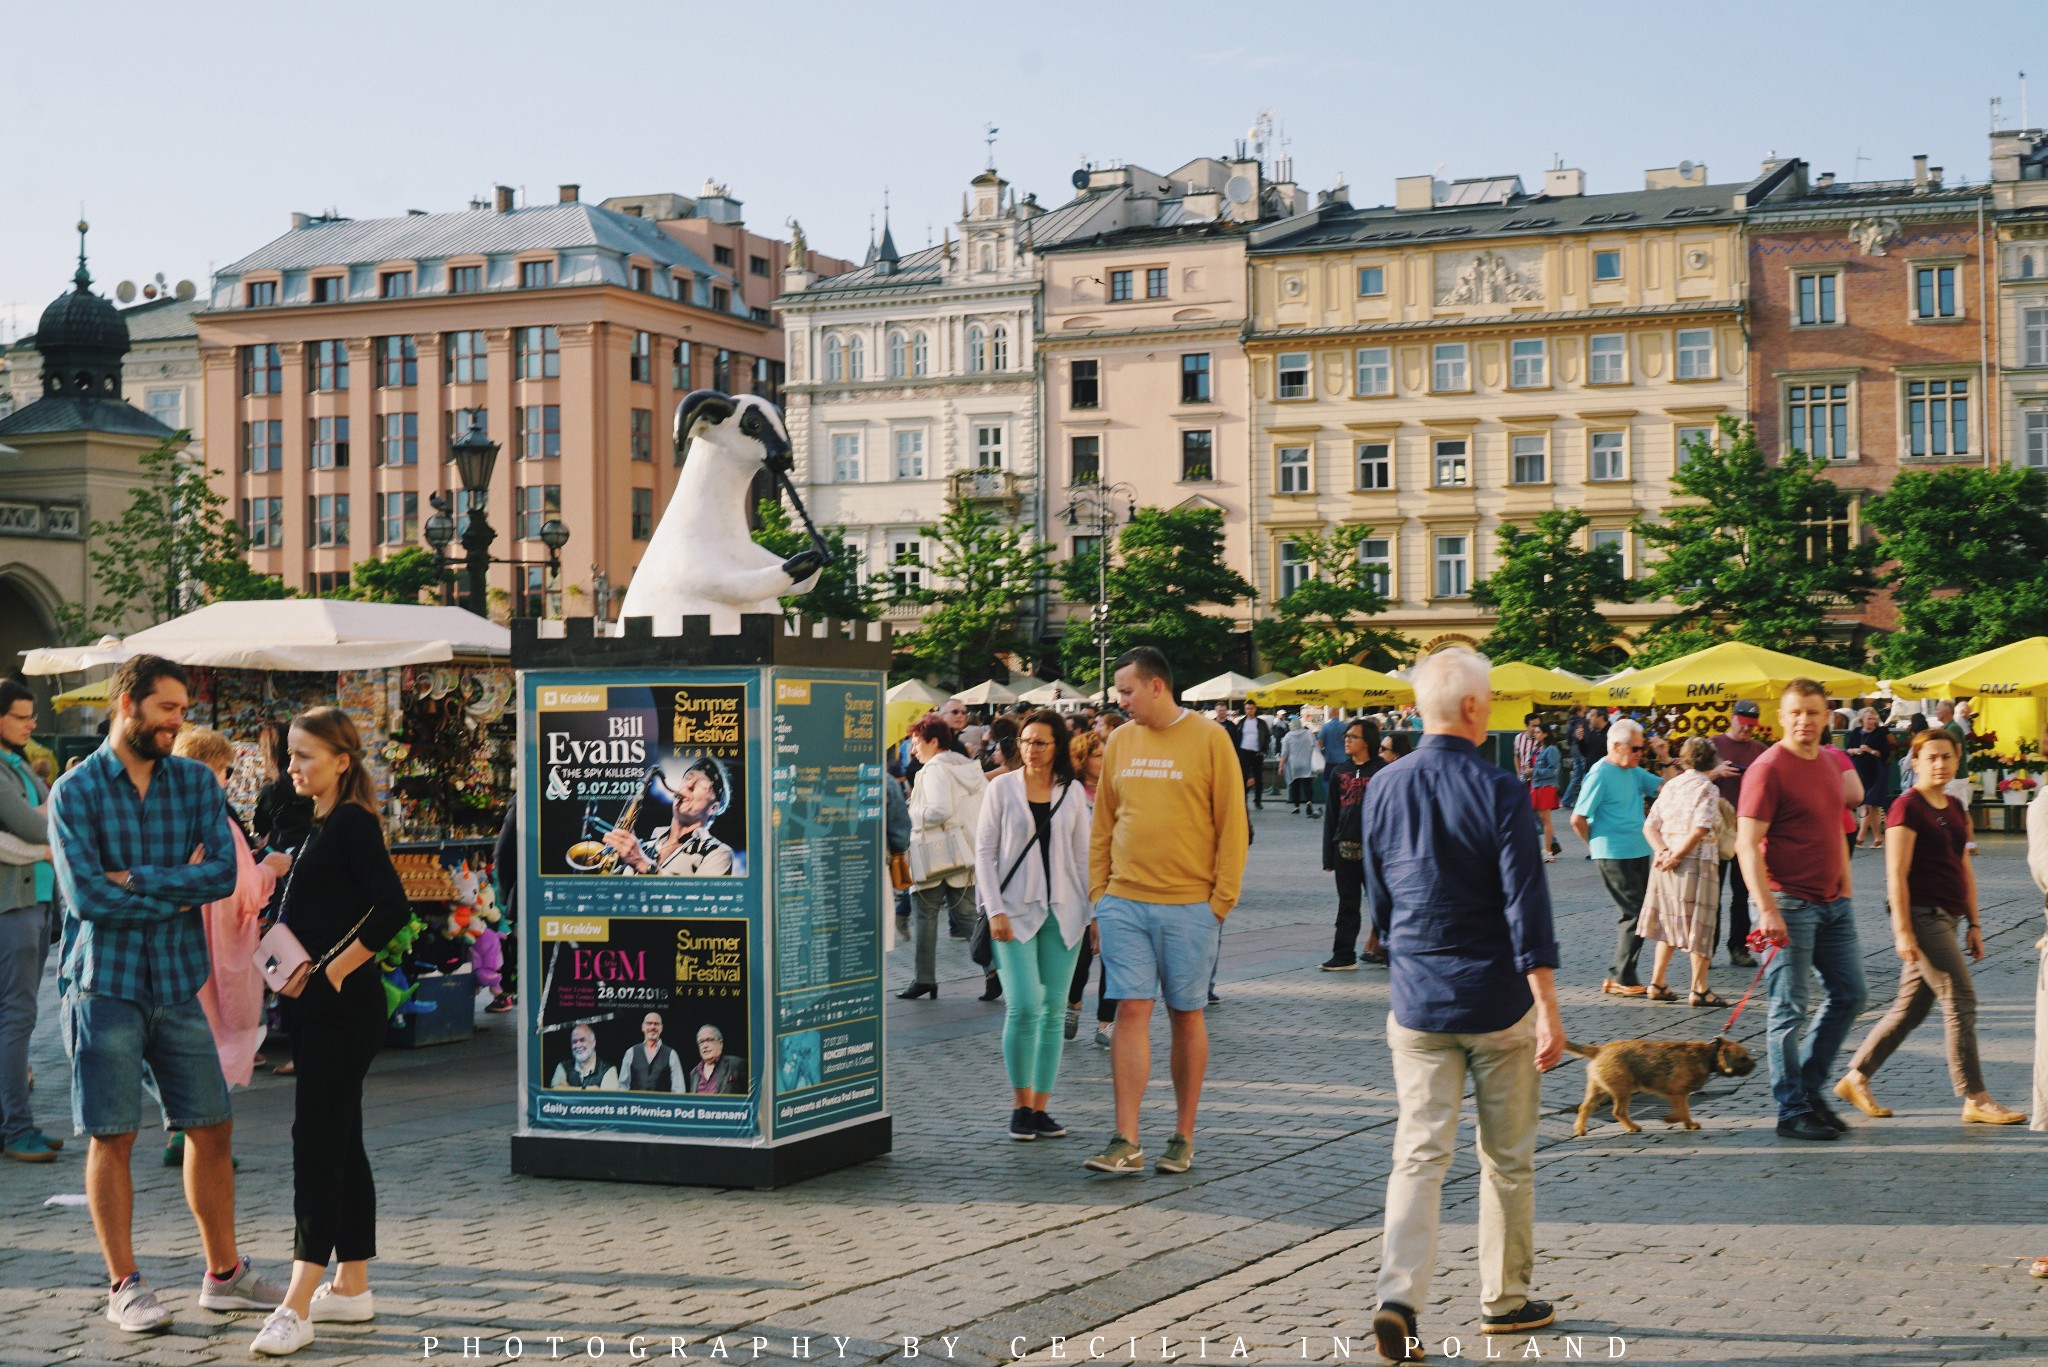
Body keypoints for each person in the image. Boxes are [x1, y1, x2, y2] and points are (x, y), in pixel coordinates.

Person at [48, 656, 284, 1334]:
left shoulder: (191, 782)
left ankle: (224, 1274)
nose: (179, 720)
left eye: (184, 708)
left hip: (180, 983)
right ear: (129, 703)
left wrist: (134, 879)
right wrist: (164, 883)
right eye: (168, 708)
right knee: (112, 1134)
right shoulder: (77, 790)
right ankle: (124, 1283)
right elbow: (85, 895)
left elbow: (219, 874)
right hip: (105, 986)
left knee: (211, 1127)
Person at [1362, 648, 1563, 1360]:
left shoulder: (1383, 784)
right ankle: (1504, 1300)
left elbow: (1379, 899)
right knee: (1506, 1158)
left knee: (1418, 1154)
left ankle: (1399, 1296)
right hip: (1497, 1000)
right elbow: (1524, 903)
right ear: (1476, 708)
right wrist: (1548, 1005)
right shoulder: (1500, 787)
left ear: (1421, 707)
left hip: (1418, 1000)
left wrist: (1406, 950)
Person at [247, 705, 419, 1356]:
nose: (292, 766)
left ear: (342, 760)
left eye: (305, 756)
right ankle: (351, 1283)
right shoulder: (320, 820)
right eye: (290, 754)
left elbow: (392, 907)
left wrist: (335, 970)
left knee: (315, 1142)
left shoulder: (349, 821)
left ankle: (296, 1304)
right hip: (319, 1006)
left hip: (342, 1010)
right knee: (341, 1138)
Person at [1083, 647, 1247, 1177]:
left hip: (1190, 905)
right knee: (1130, 1011)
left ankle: (1183, 1134)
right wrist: (1098, 894)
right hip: (1125, 902)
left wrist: (1220, 901)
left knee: (1185, 1014)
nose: (1120, 702)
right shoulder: (1122, 742)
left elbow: (1231, 824)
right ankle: (1125, 1138)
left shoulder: (1209, 738)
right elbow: (1104, 822)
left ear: (1157, 687)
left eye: (1127, 691)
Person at [1835, 730, 2025, 1126]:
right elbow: (1896, 873)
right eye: (1931, 757)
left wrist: (1974, 922)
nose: (1939, 764)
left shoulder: (1956, 806)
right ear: (1915, 762)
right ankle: (1975, 1096)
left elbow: (1964, 867)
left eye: (1947, 757)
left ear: (1957, 761)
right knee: (1960, 998)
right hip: (1922, 917)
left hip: (1950, 917)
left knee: (1910, 1010)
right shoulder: (1907, 807)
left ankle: (1856, 1077)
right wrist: (1903, 930)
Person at [1737, 679, 1870, 1143]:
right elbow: (1746, 844)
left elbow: (1835, 828)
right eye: (1795, 712)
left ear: (1827, 716)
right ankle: (1791, 1109)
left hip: (1834, 903)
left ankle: (1809, 1090)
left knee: (1851, 994)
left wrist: (1846, 888)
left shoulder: (1829, 764)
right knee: (1788, 1010)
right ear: (1781, 716)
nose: (1804, 721)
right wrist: (1767, 909)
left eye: (1813, 713)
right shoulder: (1769, 768)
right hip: (1787, 903)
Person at [978, 709, 1092, 1141]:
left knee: (1052, 1014)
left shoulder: (1073, 791)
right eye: (1025, 741)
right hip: (1013, 912)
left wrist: (1092, 913)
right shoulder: (1001, 788)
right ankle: (1019, 1105)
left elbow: (1083, 857)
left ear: (1057, 746)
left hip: (1065, 912)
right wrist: (994, 910)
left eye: (1040, 742)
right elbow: (984, 853)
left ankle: (1041, 1108)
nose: (1031, 749)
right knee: (1023, 1006)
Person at [172, 727, 282, 1093]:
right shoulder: (215, 818)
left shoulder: (171, 812)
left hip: (184, 939)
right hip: (218, 935)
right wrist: (270, 869)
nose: (226, 778)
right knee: (219, 1031)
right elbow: (243, 889)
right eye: (224, 770)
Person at [0, 678, 58, 1162]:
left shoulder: (17, 763)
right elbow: (41, 824)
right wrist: (44, 822)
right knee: (16, 1018)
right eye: (21, 716)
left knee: (20, 1017)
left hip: (33, 903)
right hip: (11, 907)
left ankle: (15, 1123)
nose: (31, 723)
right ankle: (16, 1127)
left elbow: (46, 814)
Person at [1572, 717, 1663, 997]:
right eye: (1635, 749)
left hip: (1638, 849)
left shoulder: (1634, 771)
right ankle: (1620, 976)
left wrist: (1665, 756)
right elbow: (1578, 818)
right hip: (1612, 853)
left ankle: (1619, 974)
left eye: (1641, 749)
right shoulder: (1600, 773)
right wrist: (1597, 847)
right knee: (1634, 914)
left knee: (1641, 914)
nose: (1639, 754)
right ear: (1615, 745)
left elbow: (1667, 789)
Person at [1638, 738, 1726, 1007]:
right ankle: (1699, 989)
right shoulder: (1707, 788)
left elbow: (1649, 826)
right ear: (1711, 761)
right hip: (1697, 863)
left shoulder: (1672, 785)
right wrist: (1676, 856)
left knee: (1668, 924)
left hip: (1664, 865)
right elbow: (1700, 829)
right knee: (1700, 926)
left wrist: (1664, 853)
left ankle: (1657, 982)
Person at [901, 715, 984, 998]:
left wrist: (910, 812)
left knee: (924, 914)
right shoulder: (967, 767)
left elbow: (940, 810)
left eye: (916, 743)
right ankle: (996, 969)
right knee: (966, 915)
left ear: (933, 742)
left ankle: (925, 979)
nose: (913, 750)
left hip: (936, 853)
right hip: (963, 852)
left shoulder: (935, 769)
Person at [1321, 718, 1386, 971]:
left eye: (1353, 737)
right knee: (1347, 905)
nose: (1347, 740)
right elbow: (1332, 816)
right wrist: (1329, 856)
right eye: (1346, 736)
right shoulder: (1340, 772)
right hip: (1344, 849)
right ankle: (1343, 955)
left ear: (1367, 741)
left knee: (1383, 904)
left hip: (1376, 853)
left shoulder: (1383, 771)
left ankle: (1393, 952)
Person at [603, 756, 734, 876]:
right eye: (688, 777)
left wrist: (642, 864)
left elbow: (700, 898)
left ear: (713, 808)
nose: (688, 785)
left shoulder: (718, 853)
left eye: (701, 783)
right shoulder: (644, 847)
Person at [1064, 731, 1114, 1044]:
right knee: (1080, 956)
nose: (1104, 760)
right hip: (1077, 886)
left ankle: (1106, 1023)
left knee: (1113, 956)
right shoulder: (1070, 794)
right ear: (1083, 760)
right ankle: (1073, 1003)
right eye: (1097, 755)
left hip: (1114, 883)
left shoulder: (1116, 790)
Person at [1711, 701, 1768, 967]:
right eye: (1743, 724)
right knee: (1712, 894)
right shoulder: (1713, 745)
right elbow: (1689, 778)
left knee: (1742, 894)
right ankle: (1706, 949)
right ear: (1732, 719)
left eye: (1751, 726)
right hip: (1717, 830)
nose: (1747, 730)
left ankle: (1739, 947)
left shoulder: (1760, 750)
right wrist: (1716, 772)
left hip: (1747, 831)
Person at [251, 719, 313, 861]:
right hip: (313, 850)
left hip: (285, 855)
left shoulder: (272, 788)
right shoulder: (308, 780)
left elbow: (260, 827)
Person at [1848, 708, 1894, 850]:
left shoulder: (1880, 733)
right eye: (1869, 719)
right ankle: (1878, 838)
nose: (1872, 722)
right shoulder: (1856, 732)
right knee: (1871, 805)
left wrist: (1870, 751)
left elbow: (1884, 753)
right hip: (1860, 772)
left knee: (1868, 802)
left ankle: (1860, 837)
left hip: (1875, 772)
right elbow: (1848, 749)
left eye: (1874, 719)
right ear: (1863, 719)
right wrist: (1857, 750)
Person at [620, 1012, 685, 1091]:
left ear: (661, 1028)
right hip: (636, 1103)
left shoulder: (671, 1054)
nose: (652, 1027)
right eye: (649, 1023)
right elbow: (622, 1085)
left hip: (661, 1103)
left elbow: (679, 1089)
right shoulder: (631, 1052)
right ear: (642, 1027)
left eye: (656, 1024)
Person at [549, 1024, 621, 1090]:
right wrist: (586, 1089)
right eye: (574, 1042)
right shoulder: (563, 1067)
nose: (578, 1045)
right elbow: (555, 1092)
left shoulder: (609, 1070)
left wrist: (567, 1088)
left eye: (582, 1040)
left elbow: (606, 1101)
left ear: (593, 1043)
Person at [1529, 726, 1563, 862]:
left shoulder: (1551, 749)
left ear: (1545, 734)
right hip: (1538, 786)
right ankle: (1548, 849)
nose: (1535, 734)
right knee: (1542, 819)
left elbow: (1554, 770)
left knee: (1545, 819)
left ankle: (1548, 851)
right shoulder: (1538, 749)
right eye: (1535, 732)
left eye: (1538, 732)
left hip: (1546, 786)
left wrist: (1534, 772)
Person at [1234, 699, 1272, 809]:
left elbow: (1267, 737)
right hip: (1244, 752)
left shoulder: (1261, 723)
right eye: (1247, 709)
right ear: (1245, 710)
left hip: (1257, 753)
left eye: (1251, 708)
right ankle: (1243, 800)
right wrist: (1237, 752)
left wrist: (1263, 750)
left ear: (1255, 709)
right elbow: (1237, 737)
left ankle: (1258, 801)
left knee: (1258, 778)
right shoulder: (1241, 722)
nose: (1249, 711)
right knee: (1243, 777)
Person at [687, 1024, 746, 1095]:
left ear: (720, 1044)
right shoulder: (694, 1073)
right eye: (701, 1042)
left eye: (709, 1040)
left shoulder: (736, 1064)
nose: (705, 1045)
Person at [1280, 716, 1319, 817]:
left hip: (1293, 765)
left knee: (1295, 786)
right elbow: (1315, 747)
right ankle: (1309, 802)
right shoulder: (1309, 733)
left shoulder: (1287, 736)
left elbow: (1284, 754)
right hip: (1307, 763)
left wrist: (1280, 767)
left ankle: (1296, 807)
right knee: (1307, 785)